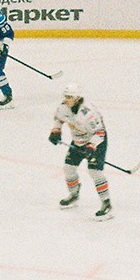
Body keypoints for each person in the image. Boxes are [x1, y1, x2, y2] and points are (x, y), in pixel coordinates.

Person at [48, 83, 112, 220]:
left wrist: (91, 146)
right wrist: (56, 131)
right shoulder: (63, 107)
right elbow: (59, 119)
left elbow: (100, 132)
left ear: (77, 98)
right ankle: (74, 194)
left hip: (96, 141)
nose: (67, 99)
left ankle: (106, 203)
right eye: (66, 96)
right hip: (78, 141)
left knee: (94, 171)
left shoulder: (88, 113)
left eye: (70, 97)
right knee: (68, 168)